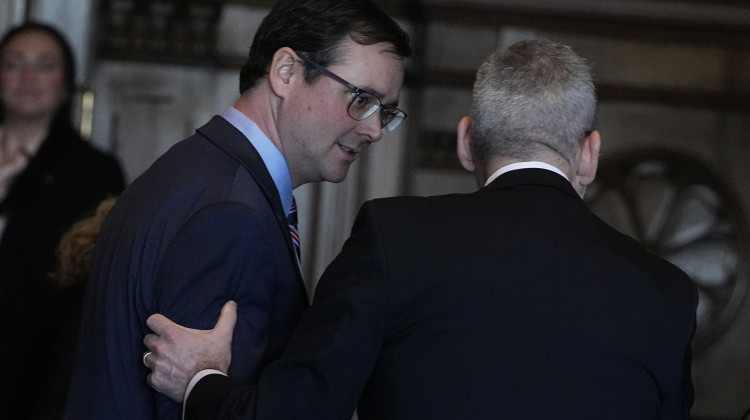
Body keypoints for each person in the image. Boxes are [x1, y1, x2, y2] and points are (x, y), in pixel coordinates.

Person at [143, 39, 698, 419]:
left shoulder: (395, 239)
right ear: (590, 154)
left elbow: (297, 412)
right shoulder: (667, 293)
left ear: (465, 141)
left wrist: (199, 382)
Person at [63, 0, 411, 418]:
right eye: (362, 99)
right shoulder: (231, 214)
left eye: (385, 111)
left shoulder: (198, 167)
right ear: (286, 72)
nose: (374, 129)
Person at [0, 21, 125, 419]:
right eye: (14, 64)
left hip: (29, 370)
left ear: (68, 83)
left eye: (45, 65)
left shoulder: (93, 172)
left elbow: (85, 294)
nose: (28, 77)